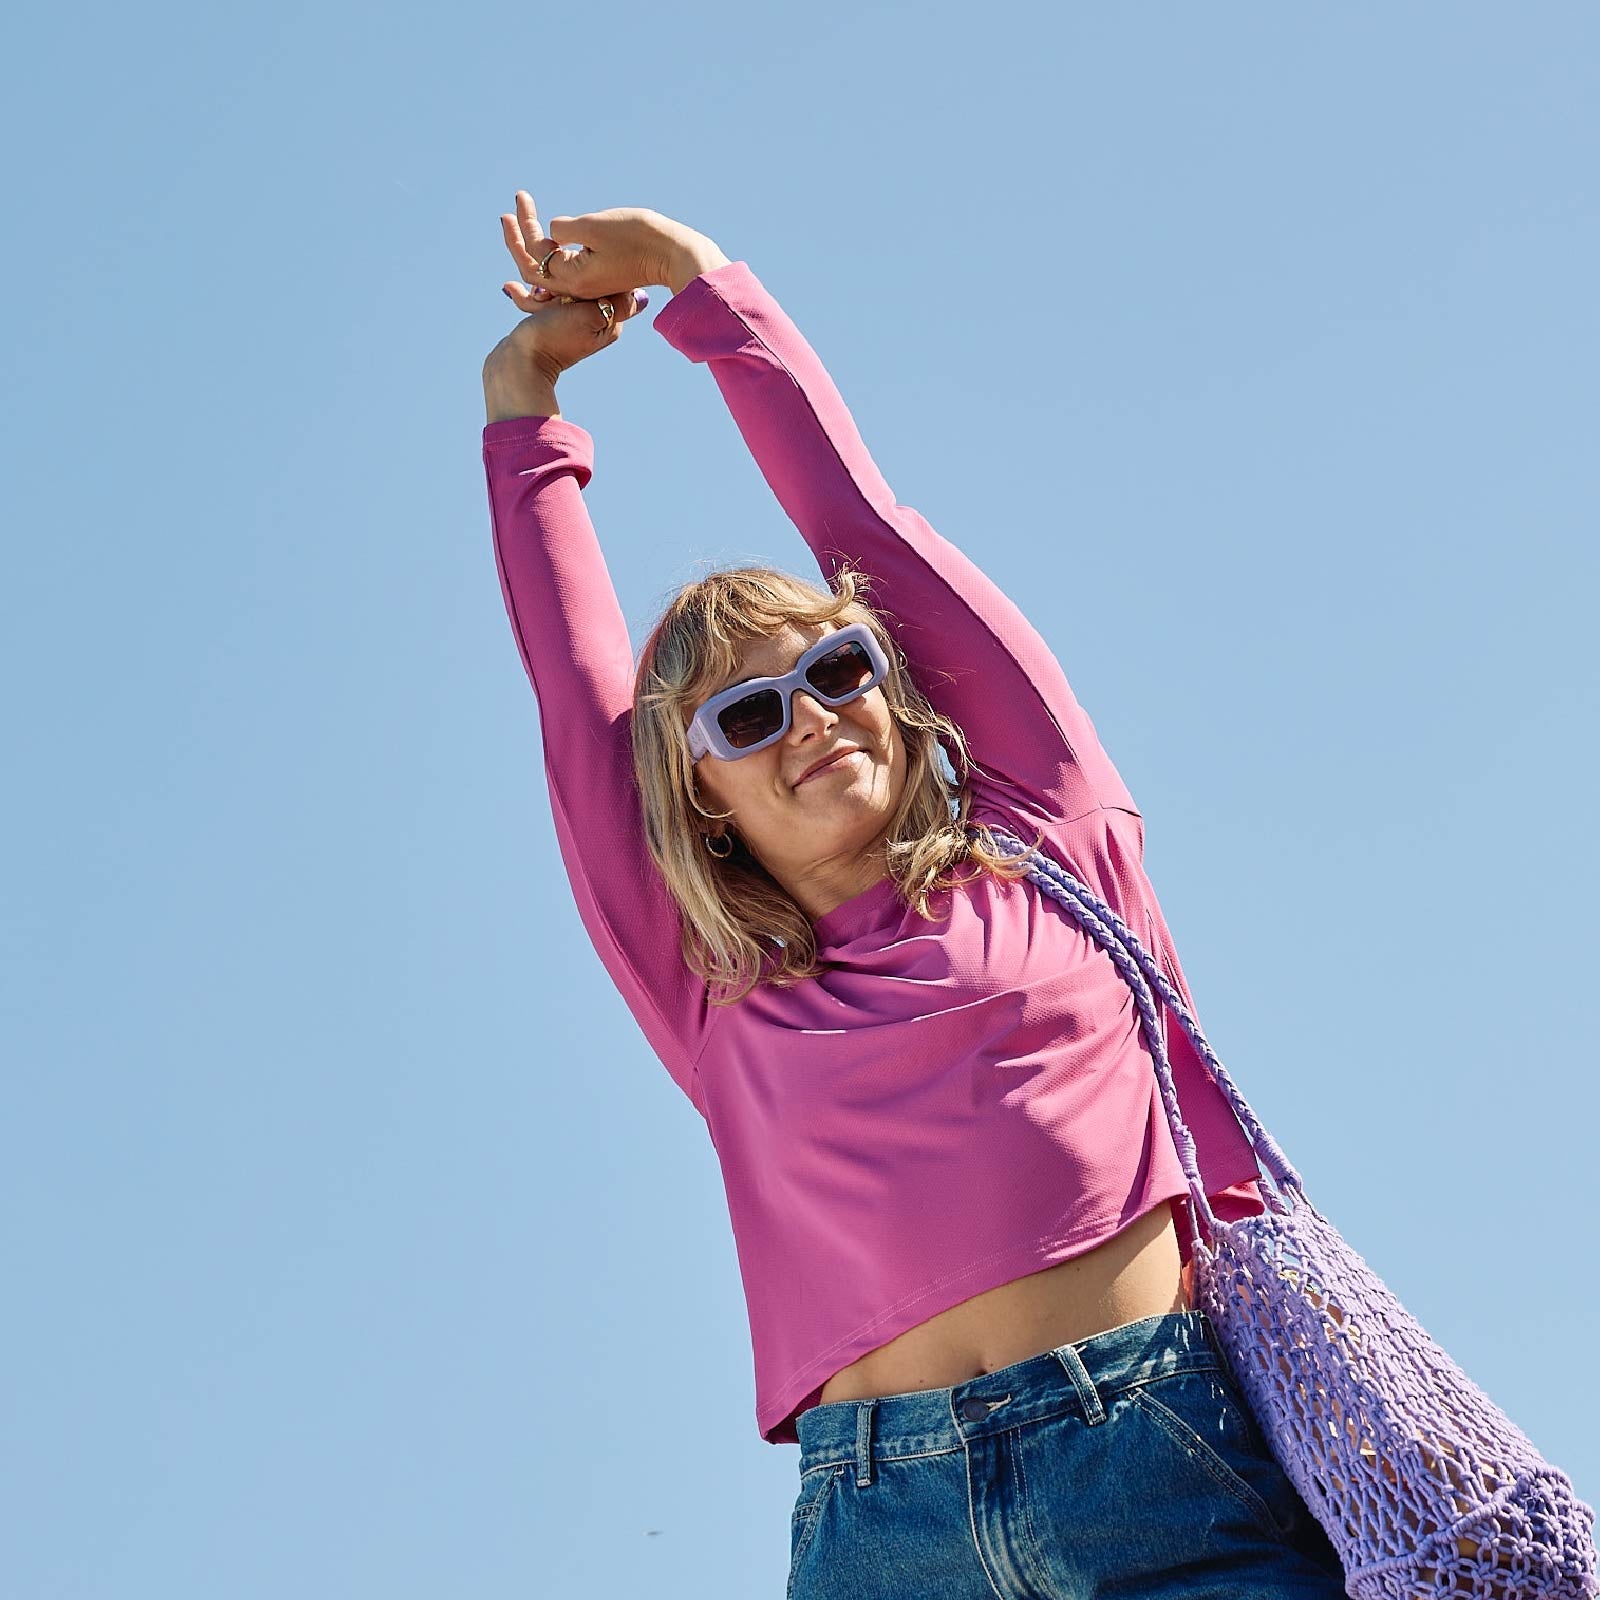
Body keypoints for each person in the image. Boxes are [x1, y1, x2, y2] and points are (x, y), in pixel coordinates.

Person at [480, 192, 1349, 1598]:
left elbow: (861, 520)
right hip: (882, 1536)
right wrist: (525, 416)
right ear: (697, 788)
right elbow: (578, 703)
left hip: (1164, 1475)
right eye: (747, 717)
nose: (810, 718)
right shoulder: (707, 989)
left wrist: (704, 289)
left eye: (834, 672)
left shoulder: (1050, 839)